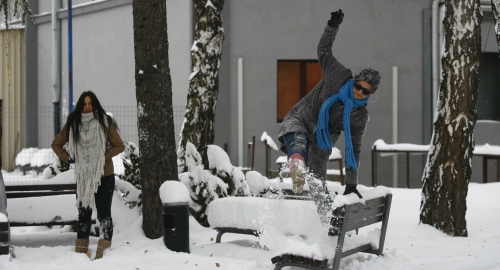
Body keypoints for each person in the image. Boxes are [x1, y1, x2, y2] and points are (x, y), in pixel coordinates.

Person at [278, 9, 381, 198]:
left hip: (323, 140)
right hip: (302, 116)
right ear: (355, 80)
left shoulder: (359, 115)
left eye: (365, 91)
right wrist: (333, 26)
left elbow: (354, 148)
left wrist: (351, 183)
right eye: (358, 86)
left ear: (370, 93)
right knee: (298, 141)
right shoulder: (337, 74)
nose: (359, 92)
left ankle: (324, 219)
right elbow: (323, 50)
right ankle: (298, 169)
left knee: (317, 180)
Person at [52, 91, 124, 259]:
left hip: (104, 176)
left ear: (95, 104)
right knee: (84, 215)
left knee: (104, 215)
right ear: (80, 106)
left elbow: (119, 145)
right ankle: (80, 253)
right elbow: (56, 144)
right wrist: (69, 158)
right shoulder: (73, 122)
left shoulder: (104, 122)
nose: (87, 107)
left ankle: (103, 254)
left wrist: (101, 157)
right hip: (84, 179)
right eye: (84, 104)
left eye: (90, 104)